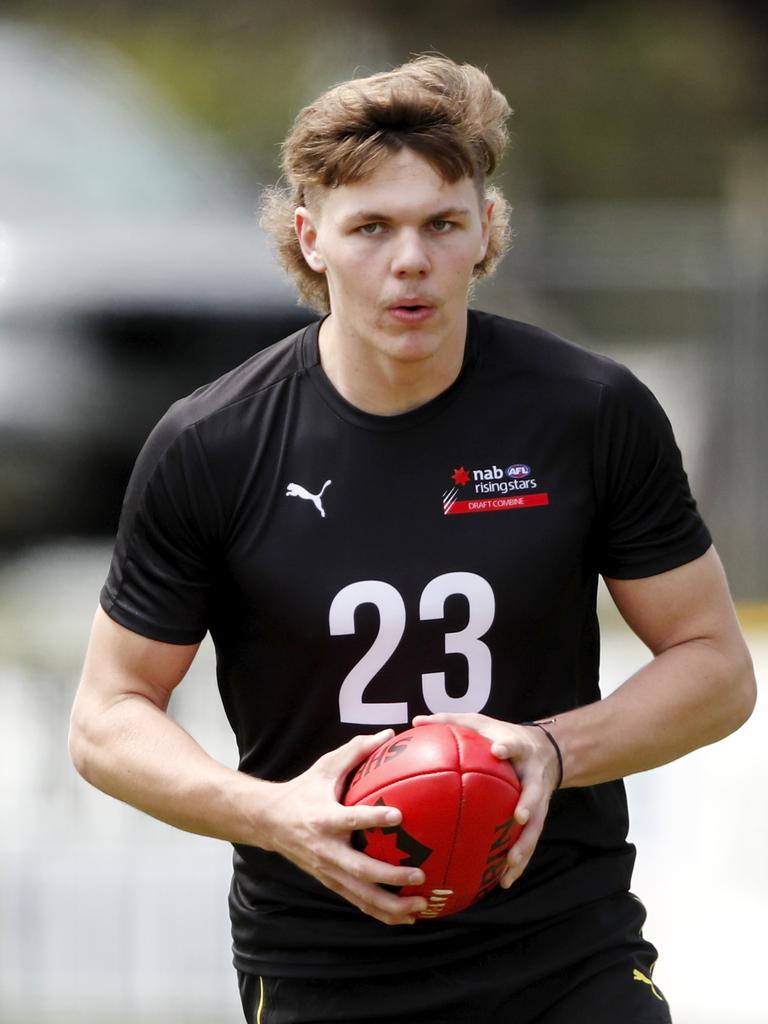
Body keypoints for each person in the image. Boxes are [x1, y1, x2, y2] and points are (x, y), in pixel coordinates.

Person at [69, 55, 756, 1024]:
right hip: (322, 964)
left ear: (486, 230)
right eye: (371, 228)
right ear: (311, 238)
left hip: (565, 951)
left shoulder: (589, 410)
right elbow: (107, 716)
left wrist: (552, 751)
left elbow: (716, 668)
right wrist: (272, 813)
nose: (410, 260)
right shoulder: (212, 442)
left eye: (442, 222)